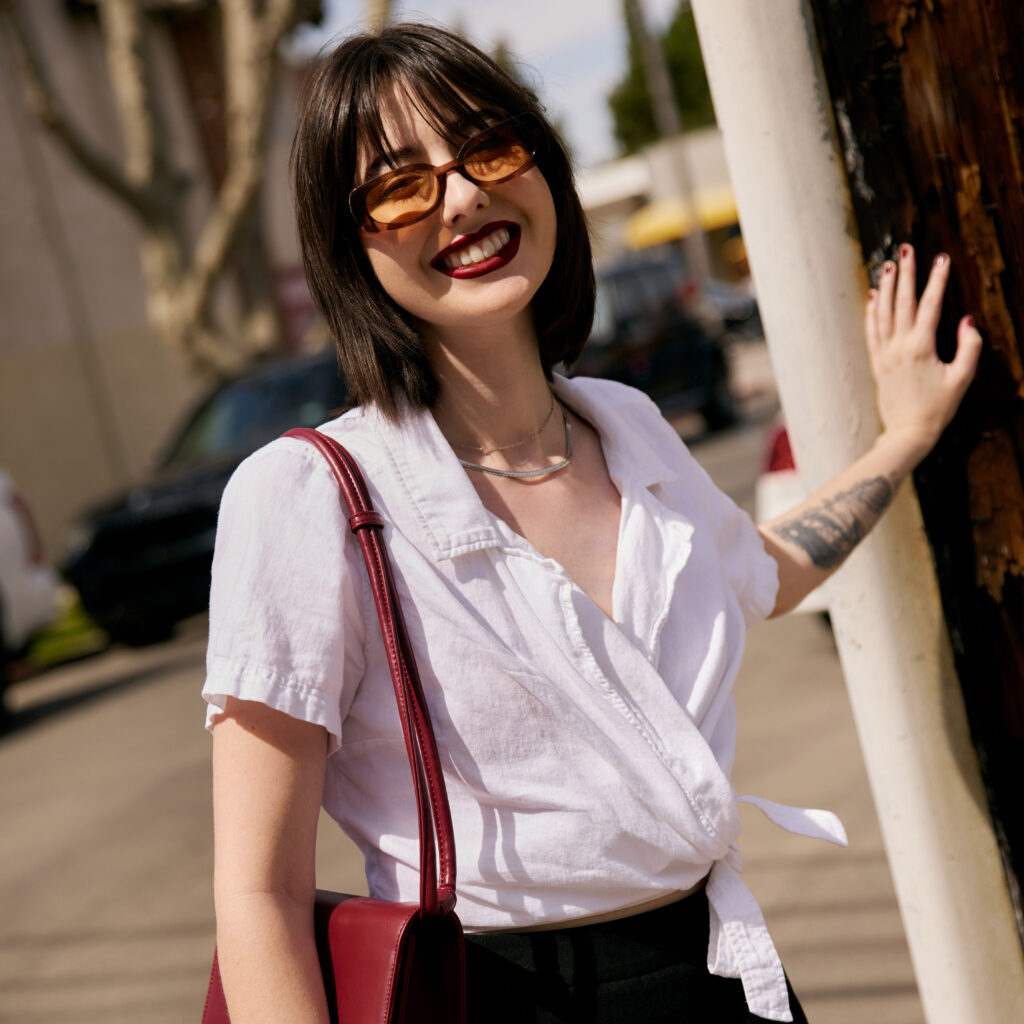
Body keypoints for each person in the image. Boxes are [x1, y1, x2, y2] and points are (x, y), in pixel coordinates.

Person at [202, 22, 982, 1024]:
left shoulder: (625, 424)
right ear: (349, 246)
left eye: (487, 147)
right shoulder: (311, 496)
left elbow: (764, 572)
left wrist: (901, 439)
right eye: (401, 185)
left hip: (724, 968)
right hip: (500, 993)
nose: (464, 195)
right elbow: (257, 893)